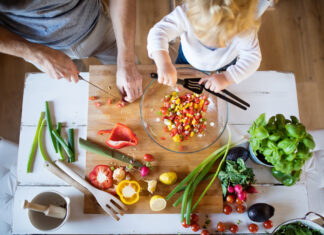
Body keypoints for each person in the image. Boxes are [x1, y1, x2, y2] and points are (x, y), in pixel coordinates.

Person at [0, 0, 142, 103]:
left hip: (95, 24)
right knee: (77, 96)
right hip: (36, 46)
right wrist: (39, 56)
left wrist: (126, 62)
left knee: (134, 81)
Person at [147, 0, 262, 93]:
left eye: (224, 41)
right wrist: (164, 63)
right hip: (187, 59)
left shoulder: (244, 28)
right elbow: (158, 32)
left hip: (224, 65)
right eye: (202, 35)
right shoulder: (188, 13)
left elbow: (252, 57)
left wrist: (227, 77)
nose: (211, 45)